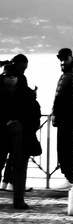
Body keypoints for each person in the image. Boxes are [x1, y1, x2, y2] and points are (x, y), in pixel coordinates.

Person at [1, 55, 42, 210]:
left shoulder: (27, 95)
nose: (11, 79)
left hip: (22, 136)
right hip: (1, 134)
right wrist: (6, 124)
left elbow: (35, 116)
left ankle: (19, 198)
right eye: (7, 76)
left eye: (14, 76)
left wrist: (20, 126)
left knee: (20, 168)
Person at [52, 48, 73, 184]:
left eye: (65, 59)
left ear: (71, 57)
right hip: (64, 118)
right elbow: (58, 97)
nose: (62, 62)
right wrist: (54, 113)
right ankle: (69, 176)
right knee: (64, 148)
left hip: (69, 118)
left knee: (68, 148)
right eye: (61, 60)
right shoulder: (66, 74)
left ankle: (71, 176)